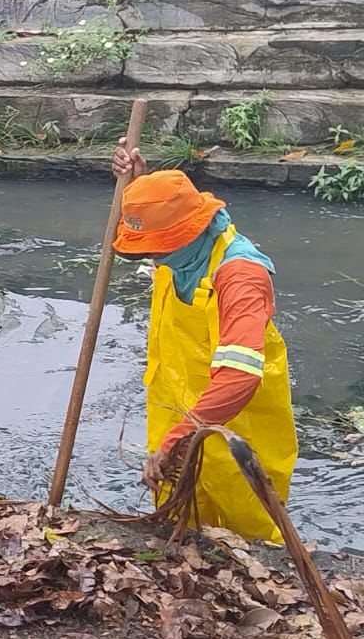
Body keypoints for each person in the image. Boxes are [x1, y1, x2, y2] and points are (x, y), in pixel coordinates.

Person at [111, 145, 297, 543]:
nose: (154, 258)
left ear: (188, 234)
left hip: (236, 430)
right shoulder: (179, 257)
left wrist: (180, 436)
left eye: (158, 248)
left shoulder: (240, 275)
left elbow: (239, 377)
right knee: (176, 520)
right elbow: (132, 236)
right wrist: (136, 187)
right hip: (173, 405)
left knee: (248, 533)